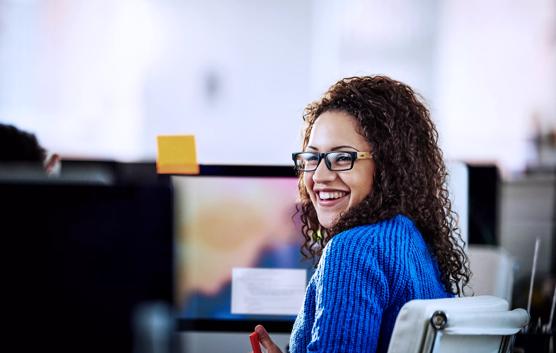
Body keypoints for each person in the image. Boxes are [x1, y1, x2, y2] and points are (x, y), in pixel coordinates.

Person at [252, 76, 470, 353]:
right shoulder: (412, 241)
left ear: (387, 166)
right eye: (311, 158)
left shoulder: (352, 250)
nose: (319, 175)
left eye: (343, 158)